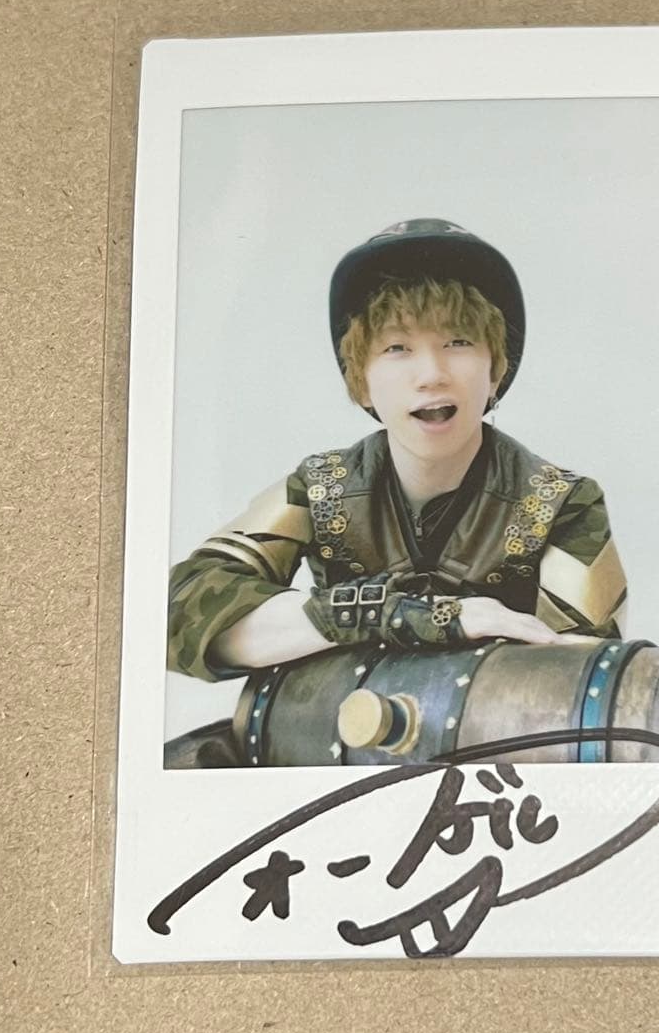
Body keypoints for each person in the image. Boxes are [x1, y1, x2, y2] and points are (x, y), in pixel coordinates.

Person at [167, 219, 627, 684]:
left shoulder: (561, 502)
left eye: (458, 342)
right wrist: (393, 615)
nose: (432, 374)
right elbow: (177, 613)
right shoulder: (321, 489)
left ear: (495, 373)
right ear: (361, 382)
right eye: (397, 347)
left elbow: (584, 678)